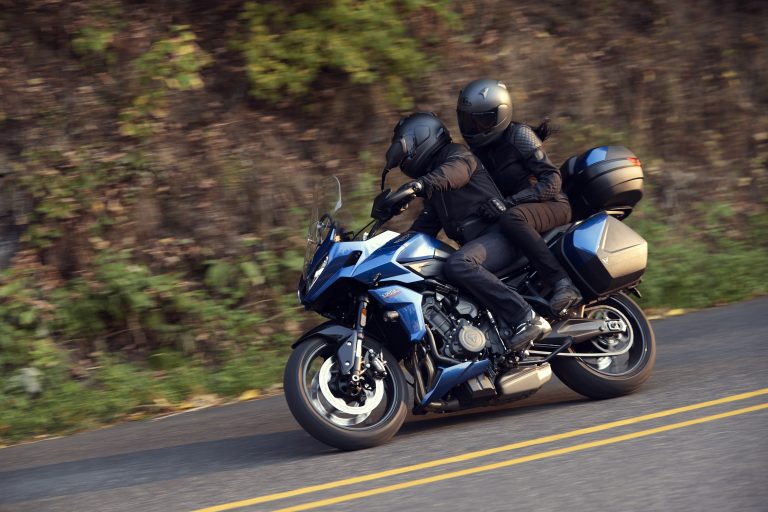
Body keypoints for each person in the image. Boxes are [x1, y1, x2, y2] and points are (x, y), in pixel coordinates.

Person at [383, 112, 551, 353]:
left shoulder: (457, 156)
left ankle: (526, 318)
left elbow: (454, 173)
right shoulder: (436, 190)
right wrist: (386, 246)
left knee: (458, 264)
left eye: (406, 148)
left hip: (504, 236)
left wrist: (419, 185)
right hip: (485, 245)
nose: (405, 157)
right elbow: (423, 229)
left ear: (421, 138)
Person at [456, 78, 582, 313]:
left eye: (482, 120)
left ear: (501, 114)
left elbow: (552, 180)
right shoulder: (478, 152)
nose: (474, 128)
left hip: (552, 204)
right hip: (519, 213)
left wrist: (509, 203)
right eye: (468, 120)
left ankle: (563, 284)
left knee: (512, 217)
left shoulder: (519, 135)